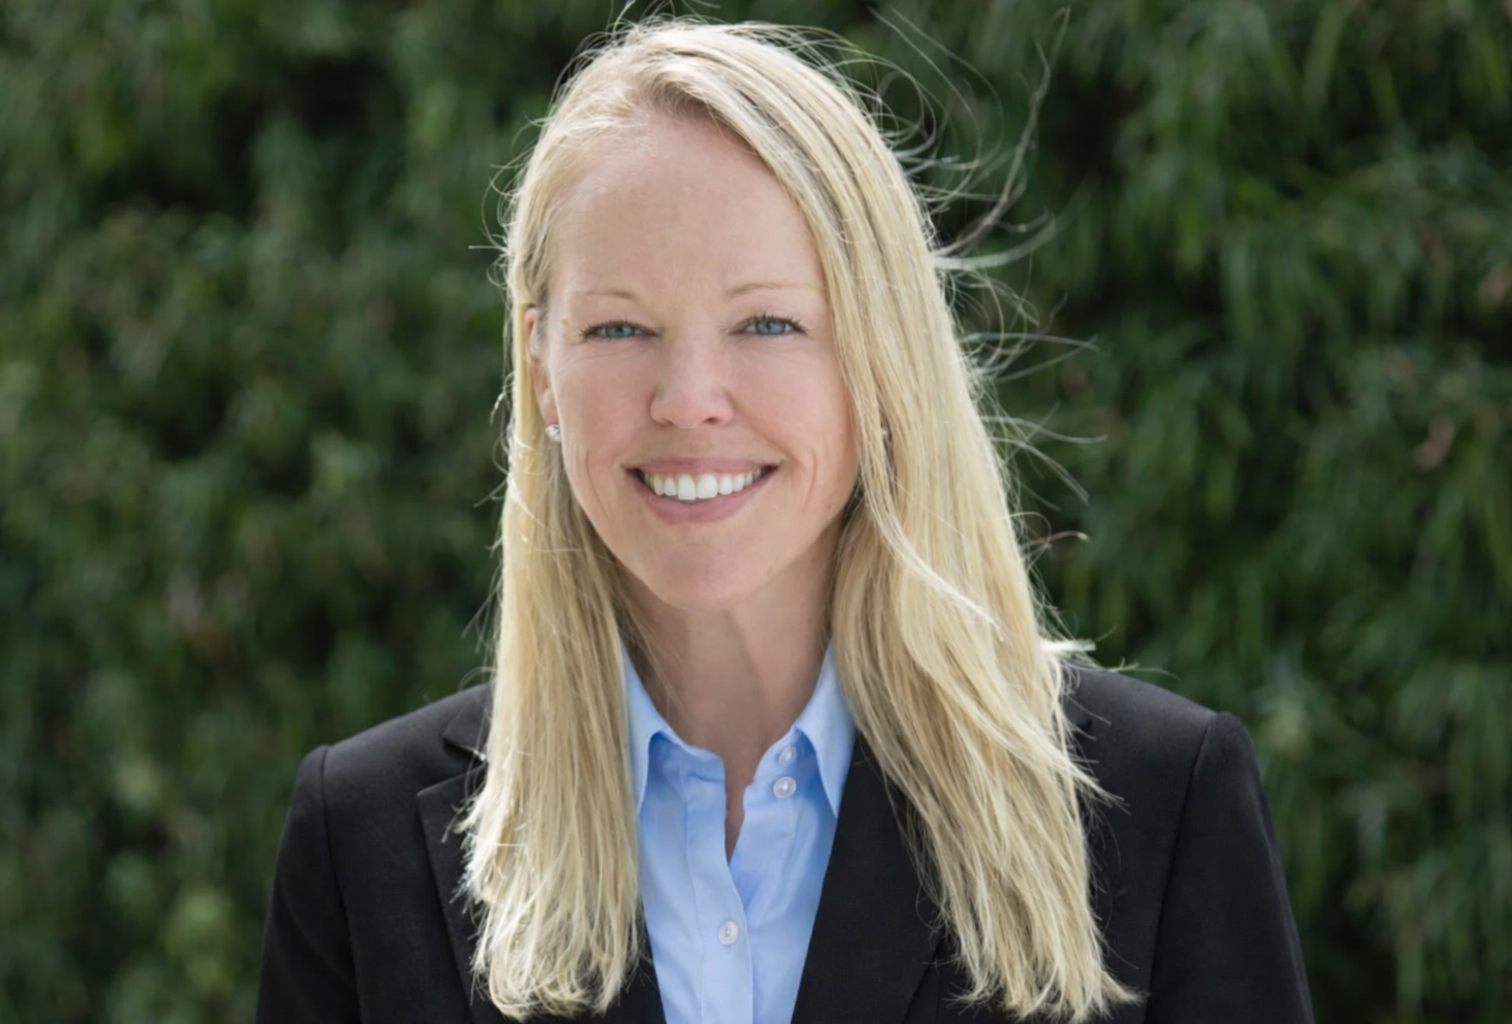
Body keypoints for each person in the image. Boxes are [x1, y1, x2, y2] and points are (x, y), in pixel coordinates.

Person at [254, 19, 1313, 1024]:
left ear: (881, 357)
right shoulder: (363, 845)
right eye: (618, 327)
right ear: (540, 367)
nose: (689, 399)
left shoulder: (1155, 808)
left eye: (767, 322)